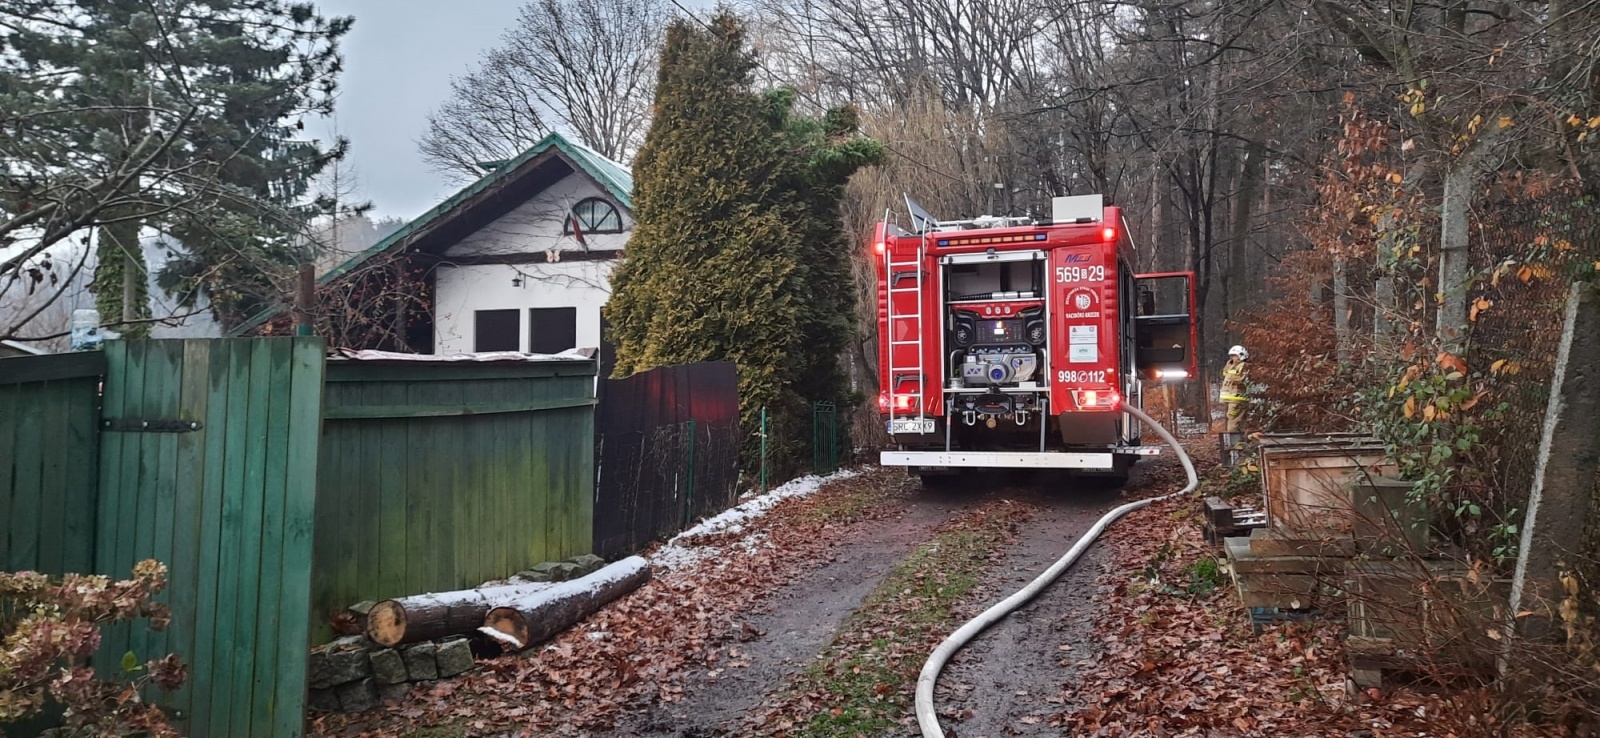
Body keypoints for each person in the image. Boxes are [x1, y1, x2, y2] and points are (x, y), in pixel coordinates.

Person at [1220, 345, 1249, 432]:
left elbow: (1241, 379)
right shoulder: (1232, 366)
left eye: (1234, 356)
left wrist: (1233, 378)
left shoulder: (1243, 366)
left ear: (1241, 356)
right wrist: (1229, 366)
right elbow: (1225, 374)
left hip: (1237, 399)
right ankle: (1240, 442)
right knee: (1238, 422)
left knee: (1233, 421)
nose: (1232, 358)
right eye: (1231, 356)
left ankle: (1233, 441)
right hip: (1232, 399)